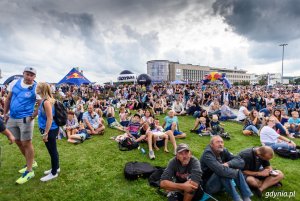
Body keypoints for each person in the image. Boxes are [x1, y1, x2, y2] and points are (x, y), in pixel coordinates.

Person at [4, 67, 41, 184]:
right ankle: (32, 162)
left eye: (32, 75)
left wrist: (33, 115)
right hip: (12, 117)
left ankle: (29, 171)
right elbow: (8, 98)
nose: (29, 77)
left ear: (34, 77)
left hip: (25, 118)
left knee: (26, 143)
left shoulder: (36, 87)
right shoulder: (15, 83)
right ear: (23, 74)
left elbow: (40, 104)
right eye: (27, 74)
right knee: (17, 141)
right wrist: (5, 113)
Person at [200, 136, 252, 201]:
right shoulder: (207, 154)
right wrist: (236, 172)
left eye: (222, 142)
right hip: (208, 186)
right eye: (217, 142)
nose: (220, 144)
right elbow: (220, 171)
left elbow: (241, 161)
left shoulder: (223, 150)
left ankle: (246, 196)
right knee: (223, 173)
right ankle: (237, 199)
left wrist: (228, 164)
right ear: (211, 144)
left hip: (221, 184)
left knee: (227, 170)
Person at [36, 82, 60, 182]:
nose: (36, 89)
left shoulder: (46, 102)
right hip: (50, 129)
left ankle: (53, 173)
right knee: (53, 150)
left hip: (50, 130)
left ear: (41, 89)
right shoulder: (45, 100)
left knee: (52, 151)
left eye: (37, 87)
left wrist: (45, 133)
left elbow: (50, 118)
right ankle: (56, 167)